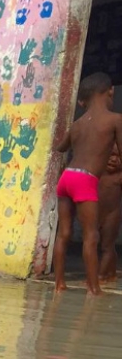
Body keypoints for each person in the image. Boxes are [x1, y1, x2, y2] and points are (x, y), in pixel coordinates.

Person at [53, 72, 122, 295]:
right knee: (91, 236)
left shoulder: (77, 124)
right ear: (110, 91)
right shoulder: (115, 119)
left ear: (84, 101)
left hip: (67, 178)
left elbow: (61, 147)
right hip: (85, 179)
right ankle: (94, 289)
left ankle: (59, 284)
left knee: (63, 234)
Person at [98, 146, 122, 283]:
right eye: (111, 155)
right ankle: (111, 272)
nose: (114, 159)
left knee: (107, 246)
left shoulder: (119, 176)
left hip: (112, 214)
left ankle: (100, 276)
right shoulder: (98, 171)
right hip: (96, 212)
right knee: (99, 244)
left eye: (119, 157)